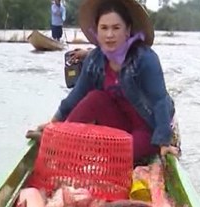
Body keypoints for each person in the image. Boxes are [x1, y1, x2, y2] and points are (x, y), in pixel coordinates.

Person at [28, 0, 180, 164]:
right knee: (95, 97)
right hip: (119, 122)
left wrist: (163, 141)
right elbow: (77, 94)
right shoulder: (95, 59)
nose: (109, 35)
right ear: (97, 31)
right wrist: (53, 123)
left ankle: (78, 149)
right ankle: (59, 137)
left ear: (127, 30)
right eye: (104, 28)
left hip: (148, 127)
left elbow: (160, 101)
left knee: (117, 155)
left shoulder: (145, 59)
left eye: (116, 28)